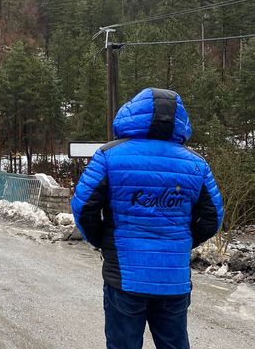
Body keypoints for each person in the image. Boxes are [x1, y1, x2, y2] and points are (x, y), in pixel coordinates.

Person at [71, 88, 224, 349]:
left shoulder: (109, 156)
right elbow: (213, 217)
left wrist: (103, 242)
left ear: (133, 113)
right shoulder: (197, 164)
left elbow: (83, 208)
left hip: (124, 276)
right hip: (173, 279)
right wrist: (182, 243)